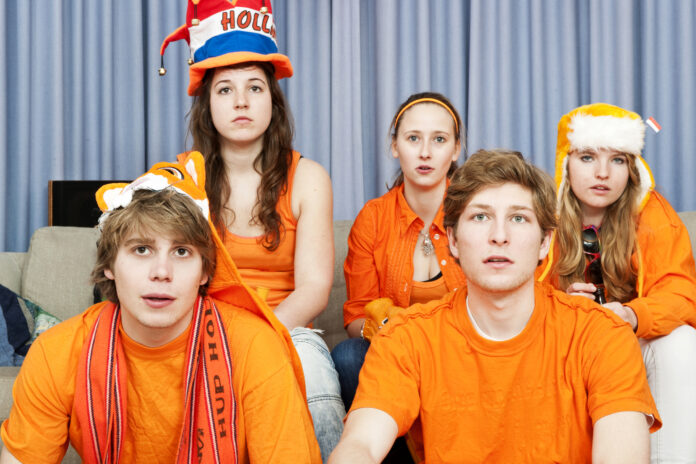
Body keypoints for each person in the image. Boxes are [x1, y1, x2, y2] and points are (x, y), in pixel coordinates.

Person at [328, 149, 660, 463]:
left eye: (518, 218)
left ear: (545, 242)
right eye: (481, 216)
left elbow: (621, 453)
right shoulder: (406, 337)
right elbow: (361, 443)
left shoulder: (602, 334)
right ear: (454, 241)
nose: (499, 235)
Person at [0, 153, 321, 463]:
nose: (161, 271)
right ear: (109, 263)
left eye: (181, 252)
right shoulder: (56, 353)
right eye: (142, 249)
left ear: (205, 271)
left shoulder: (255, 347)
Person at [159, 0, 344, 459]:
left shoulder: (309, 178)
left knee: (314, 374)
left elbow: (315, 290)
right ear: (207, 104)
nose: (241, 101)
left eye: (254, 87)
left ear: (273, 100)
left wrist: (259, 339)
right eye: (225, 90)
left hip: (288, 328)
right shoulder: (180, 178)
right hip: (203, 329)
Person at [537, 102, 696, 463]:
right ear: (566, 163)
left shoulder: (652, 212)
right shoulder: (537, 214)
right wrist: (560, 304)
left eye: (618, 160)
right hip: (561, 350)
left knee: (683, 341)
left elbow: (681, 293)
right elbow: (507, 295)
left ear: (633, 167)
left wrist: (630, 315)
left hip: (629, 344)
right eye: (588, 157)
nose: (603, 173)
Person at [332, 92, 466, 409]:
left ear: (456, 149)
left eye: (439, 139)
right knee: (349, 357)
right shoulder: (374, 218)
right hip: (395, 352)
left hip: (461, 352)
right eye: (413, 138)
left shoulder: (474, 213)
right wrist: (402, 334)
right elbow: (356, 317)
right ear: (395, 146)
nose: (425, 152)